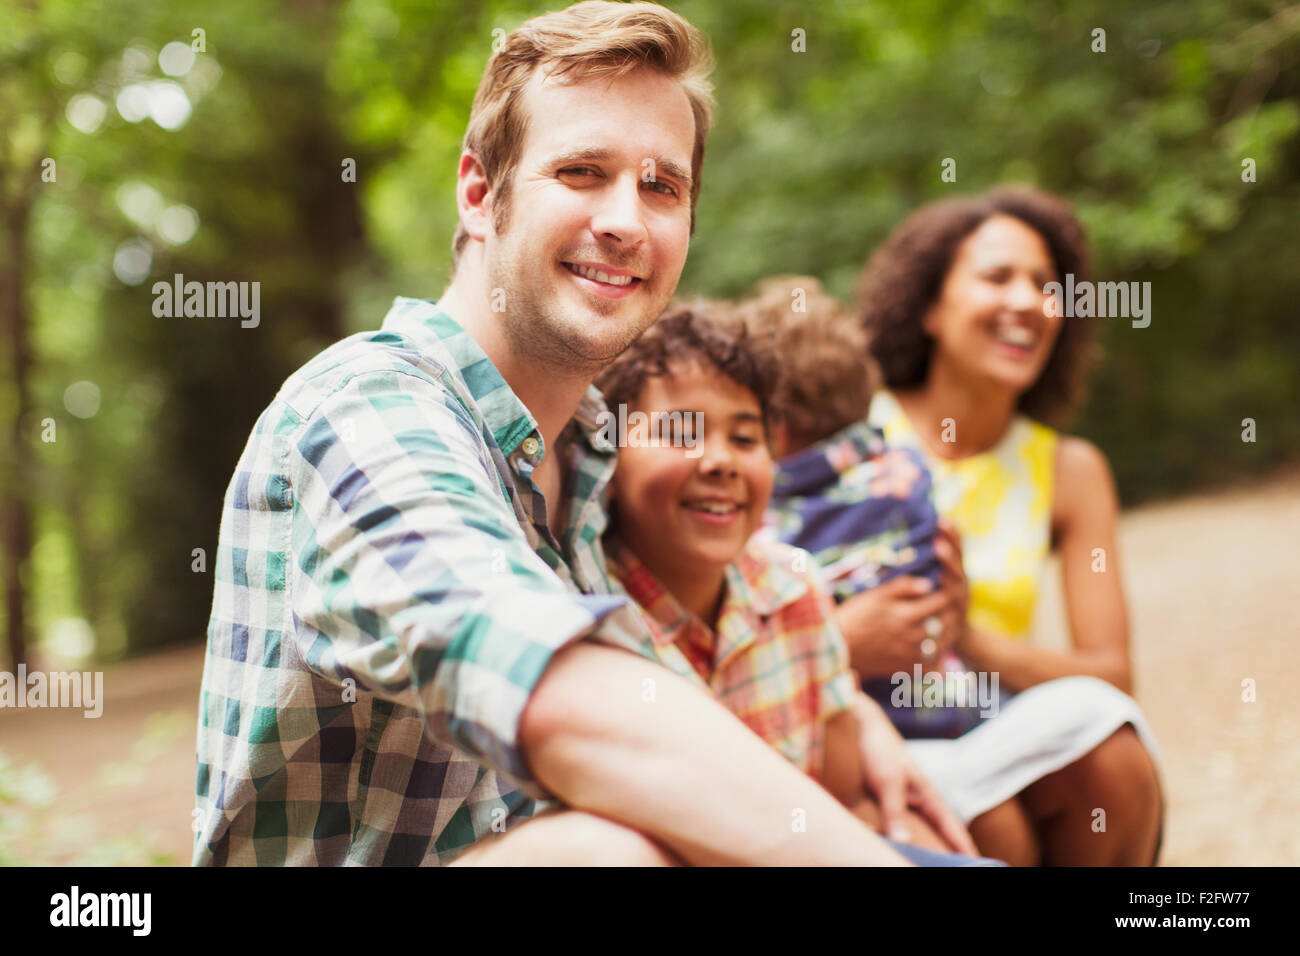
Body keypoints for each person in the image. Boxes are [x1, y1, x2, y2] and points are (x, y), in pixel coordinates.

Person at [194, 1, 909, 867]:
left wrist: (853, 711)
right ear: (478, 194)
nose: (627, 221)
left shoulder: (590, 453)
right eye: (581, 171)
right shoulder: (367, 407)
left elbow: (721, 647)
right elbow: (533, 671)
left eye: (662, 186)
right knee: (606, 856)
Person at [593, 302, 992, 863]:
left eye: (745, 438)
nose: (720, 460)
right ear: (603, 455)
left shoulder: (796, 588)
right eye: (681, 432)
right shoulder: (594, 622)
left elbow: (841, 792)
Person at [842, 185, 1164, 865]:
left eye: (1046, 286)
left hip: (1005, 727)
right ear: (929, 306)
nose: (1027, 301)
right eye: (997, 277)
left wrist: (968, 638)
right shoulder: (846, 427)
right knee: (997, 828)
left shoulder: (1071, 470)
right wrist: (843, 640)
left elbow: (1109, 679)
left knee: (1114, 759)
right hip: (866, 726)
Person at [742, 276, 989, 740]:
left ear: (773, 424)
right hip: (949, 703)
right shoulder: (909, 470)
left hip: (845, 721)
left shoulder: (767, 516)